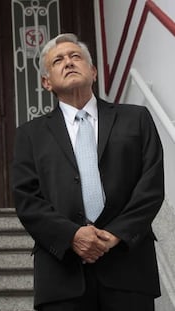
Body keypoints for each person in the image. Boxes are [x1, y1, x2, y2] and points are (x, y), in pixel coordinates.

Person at [12, 33, 164, 311]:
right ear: (47, 82)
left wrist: (116, 234)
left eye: (76, 56)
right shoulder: (30, 135)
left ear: (93, 71)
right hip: (61, 273)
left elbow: (151, 185)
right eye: (58, 60)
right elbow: (26, 198)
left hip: (129, 267)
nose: (68, 62)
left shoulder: (136, 118)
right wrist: (72, 235)